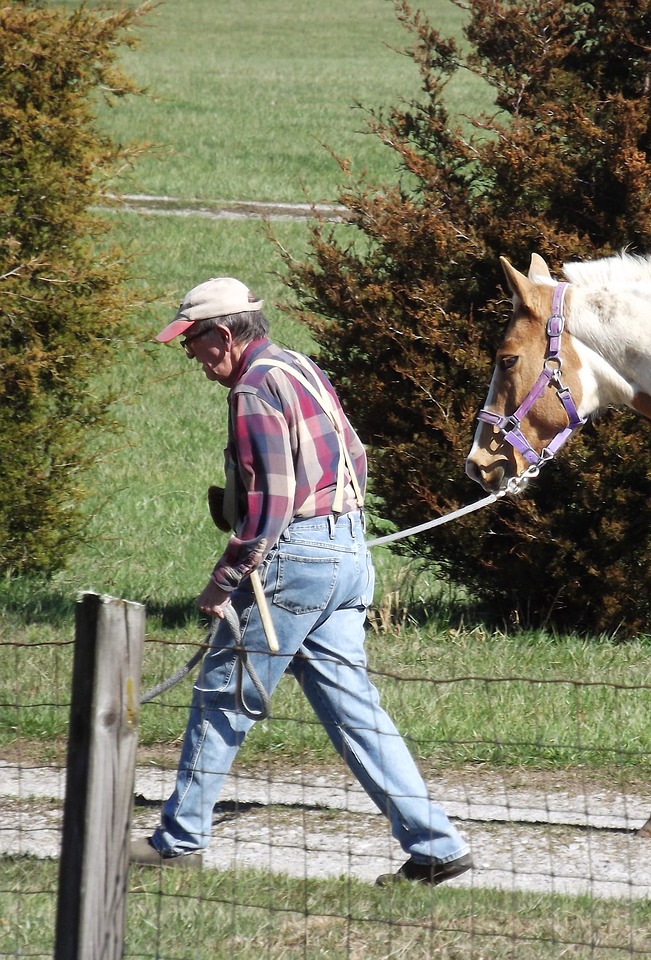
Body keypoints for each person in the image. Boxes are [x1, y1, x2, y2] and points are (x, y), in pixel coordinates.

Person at [131, 277, 471, 887]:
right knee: (355, 712)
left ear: (225, 335)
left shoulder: (253, 389)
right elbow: (357, 456)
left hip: (295, 561)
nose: (191, 354)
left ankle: (178, 841)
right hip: (348, 554)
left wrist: (225, 577)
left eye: (194, 341)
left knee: (223, 696)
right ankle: (435, 847)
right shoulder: (299, 366)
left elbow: (272, 503)